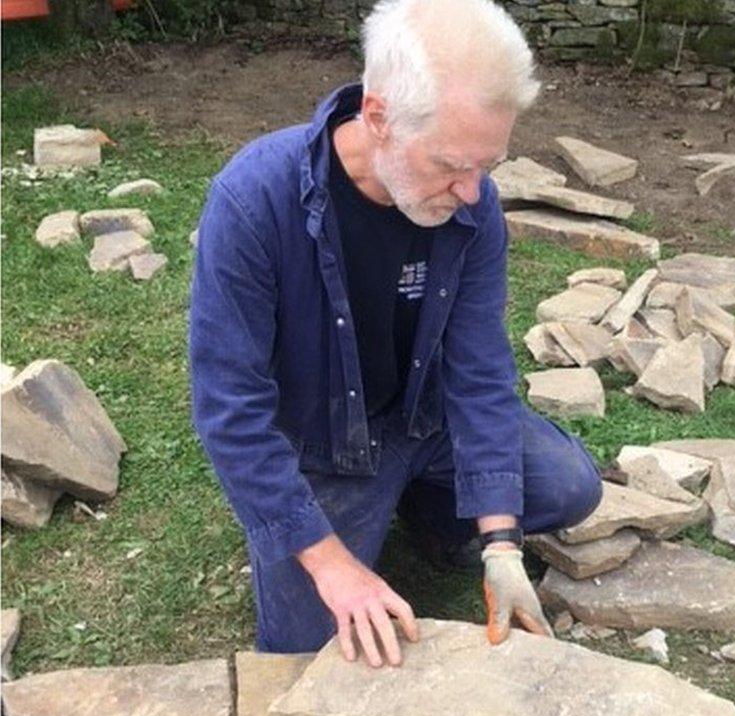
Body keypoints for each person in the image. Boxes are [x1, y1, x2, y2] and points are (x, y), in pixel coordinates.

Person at [189, 0, 603, 668]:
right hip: (327, 444)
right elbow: (229, 410)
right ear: (377, 118)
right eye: (450, 165)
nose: (472, 192)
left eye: (487, 166)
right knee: (302, 651)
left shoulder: (473, 206)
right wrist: (328, 563)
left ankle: (434, 518)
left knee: (566, 486)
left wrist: (500, 542)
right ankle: (341, 520)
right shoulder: (254, 201)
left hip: (423, 418)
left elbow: (479, 367)